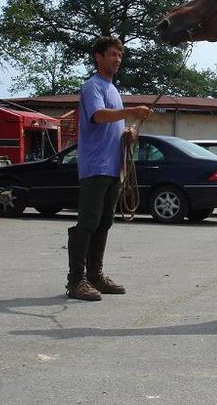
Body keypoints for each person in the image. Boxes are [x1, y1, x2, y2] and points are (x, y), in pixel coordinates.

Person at [66, 35, 153, 301]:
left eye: (120, 55)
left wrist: (127, 133)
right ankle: (76, 280)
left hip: (114, 167)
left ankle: (95, 275)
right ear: (98, 56)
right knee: (88, 222)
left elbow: (112, 124)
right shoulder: (93, 87)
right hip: (96, 166)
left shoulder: (113, 90)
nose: (117, 59)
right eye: (112, 54)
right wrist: (131, 112)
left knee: (104, 222)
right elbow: (98, 116)